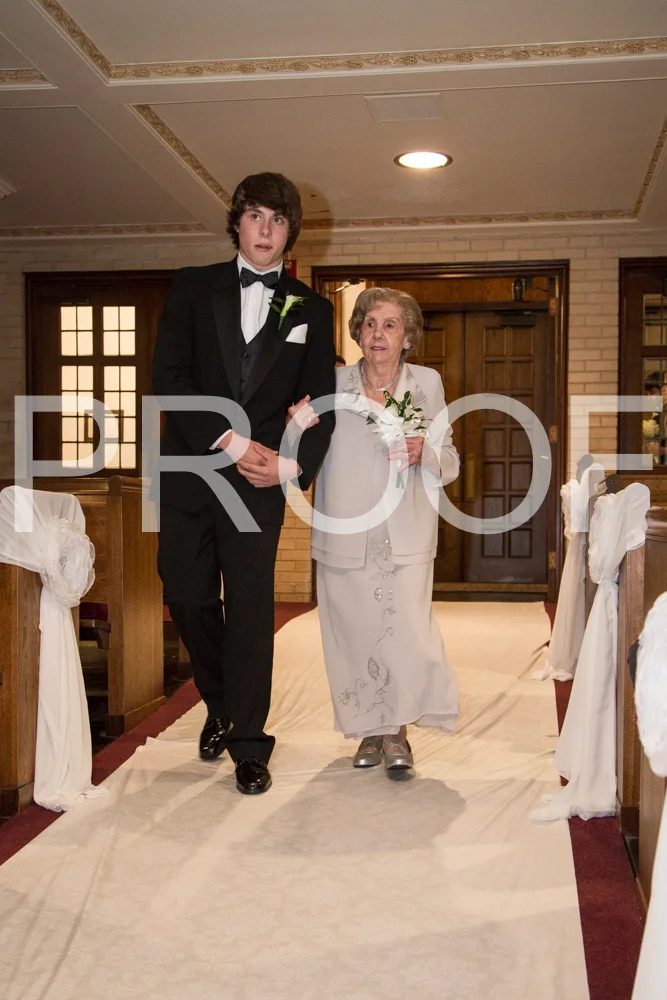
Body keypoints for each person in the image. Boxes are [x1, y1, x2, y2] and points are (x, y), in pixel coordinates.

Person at [153, 172, 336, 794]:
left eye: (278, 220)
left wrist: (292, 465)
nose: (266, 229)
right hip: (190, 469)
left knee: (252, 609)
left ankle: (249, 744)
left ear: (290, 233)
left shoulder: (311, 309)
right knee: (186, 595)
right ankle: (220, 703)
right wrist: (229, 440)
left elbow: (321, 402)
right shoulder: (191, 286)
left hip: (259, 482)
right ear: (237, 223)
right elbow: (170, 378)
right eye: (256, 216)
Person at [290, 287, 460, 772]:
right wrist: (294, 426)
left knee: (407, 635)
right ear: (358, 332)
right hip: (344, 529)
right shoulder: (331, 382)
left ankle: (397, 730)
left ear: (407, 336)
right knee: (353, 634)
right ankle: (369, 731)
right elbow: (302, 446)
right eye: (369, 324)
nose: (378, 334)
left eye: (389, 325)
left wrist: (425, 451)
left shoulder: (427, 383)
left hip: (405, 532)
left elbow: (450, 460)